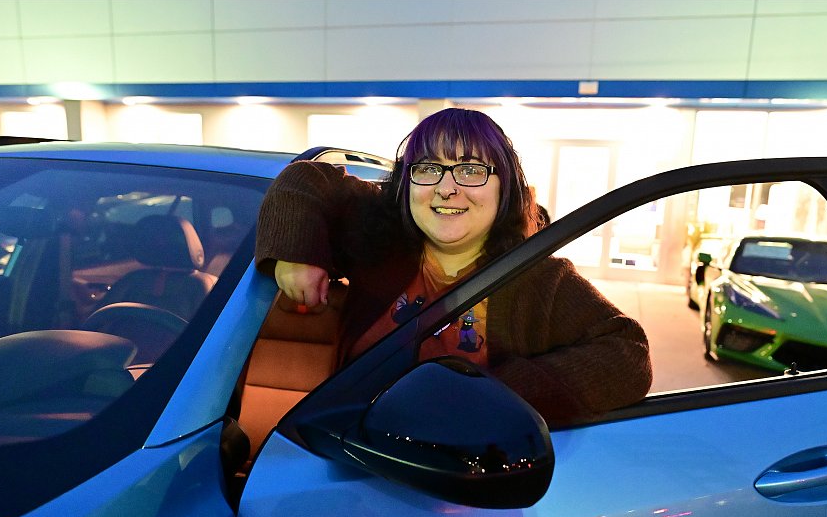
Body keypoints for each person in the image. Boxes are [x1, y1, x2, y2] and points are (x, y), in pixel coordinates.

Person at [255, 108, 651, 428]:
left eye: (471, 170)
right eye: (428, 168)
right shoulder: (379, 243)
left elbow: (628, 354)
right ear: (407, 183)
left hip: (465, 486)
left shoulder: (539, 279)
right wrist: (296, 252)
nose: (447, 188)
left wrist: (493, 397)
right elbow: (306, 178)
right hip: (354, 458)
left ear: (504, 187)